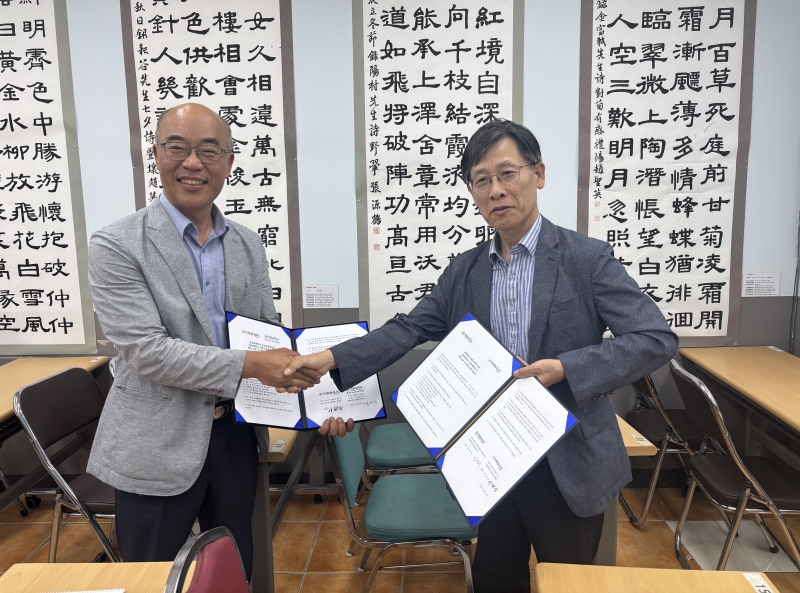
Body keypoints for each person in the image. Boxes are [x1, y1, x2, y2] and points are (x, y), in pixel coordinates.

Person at [285, 120, 678, 592]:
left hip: (567, 457)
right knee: (494, 576)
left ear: (538, 174)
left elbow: (655, 338)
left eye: (507, 173)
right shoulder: (466, 271)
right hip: (491, 459)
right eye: (481, 180)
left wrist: (567, 368)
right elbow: (408, 328)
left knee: (569, 581)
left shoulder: (585, 259)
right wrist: (331, 359)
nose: (496, 190)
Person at [87, 103, 349, 576]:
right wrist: (253, 365)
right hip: (156, 441)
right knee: (153, 577)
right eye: (177, 148)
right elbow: (148, 353)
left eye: (209, 150)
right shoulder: (116, 244)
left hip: (234, 433)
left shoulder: (246, 243)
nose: (193, 163)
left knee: (231, 569)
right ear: (156, 155)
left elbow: (268, 335)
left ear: (228, 163)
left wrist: (323, 404)